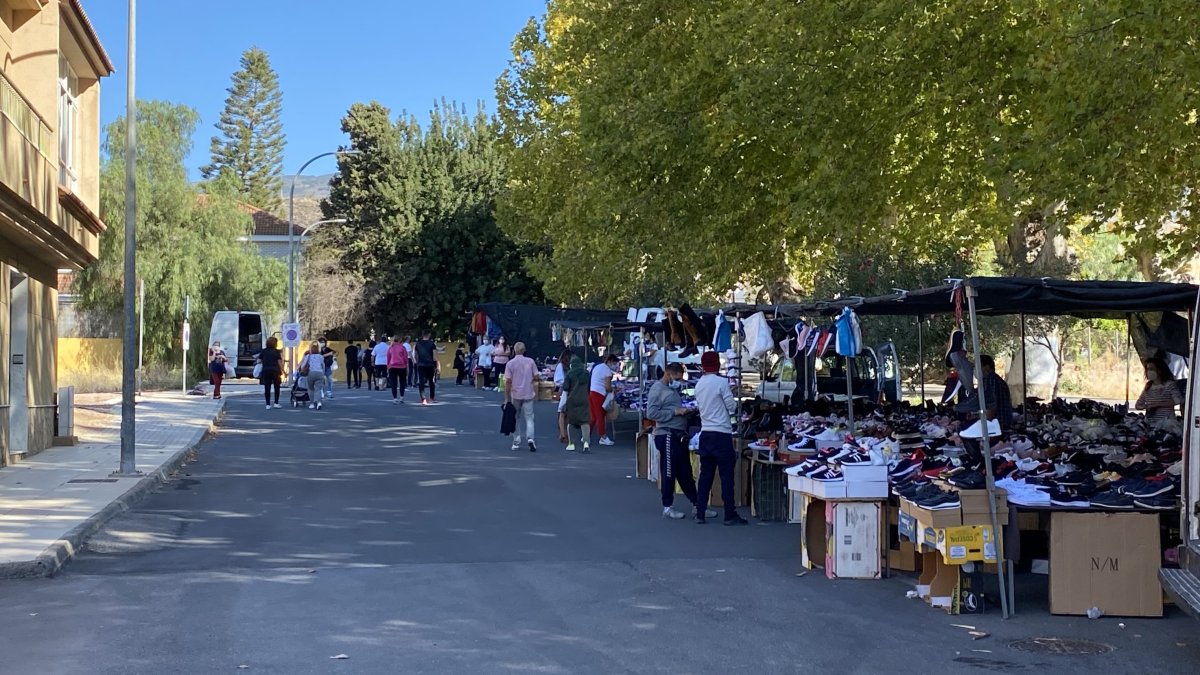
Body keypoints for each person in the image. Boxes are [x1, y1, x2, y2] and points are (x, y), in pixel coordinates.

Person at [647, 363, 712, 520]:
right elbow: (651, 412)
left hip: (678, 434)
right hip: (667, 434)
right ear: (668, 374)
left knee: (685, 472)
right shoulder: (657, 390)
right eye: (677, 377)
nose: (679, 381)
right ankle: (667, 507)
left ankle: (698, 505)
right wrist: (674, 412)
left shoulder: (672, 389)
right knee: (669, 472)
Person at [694, 351, 747, 526]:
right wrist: (732, 394)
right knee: (726, 476)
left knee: (705, 476)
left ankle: (700, 512)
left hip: (706, 433)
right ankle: (729, 514)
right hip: (722, 434)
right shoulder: (721, 383)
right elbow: (731, 407)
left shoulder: (699, 384)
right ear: (716, 364)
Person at [505, 341, 538, 452]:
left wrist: (507, 397)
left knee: (516, 418)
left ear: (514, 350)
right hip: (528, 393)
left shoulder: (510, 364)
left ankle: (516, 440)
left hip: (515, 394)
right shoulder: (530, 361)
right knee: (529, 418)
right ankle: (530, 439)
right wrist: (531, 380)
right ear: (524, 350)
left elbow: (508, 381)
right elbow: (537, 376)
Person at [1136, 356, 1184, 423]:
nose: (1149, 371)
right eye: (1147, 369)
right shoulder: (1148, 386)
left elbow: (1179, 400)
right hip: (1150, 423)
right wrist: (1148, 406)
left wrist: (1158, 404)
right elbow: (1138, 405)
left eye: (1151, 369)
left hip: (1167, 423)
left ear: (1159, 370)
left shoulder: (1169, 384)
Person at [589, 353, 620, 446]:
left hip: (592, 392)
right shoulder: (607, 371)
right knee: (600, 416)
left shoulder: (597, 367)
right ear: (610, 361)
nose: (615, 366)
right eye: (614, 363)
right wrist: (613, 390)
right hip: (599, 394)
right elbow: (607, 386)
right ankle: (603, 436)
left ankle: (586, 435)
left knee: (594, 417)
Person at [563, 355, 592, 453]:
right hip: (584, 399)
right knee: (584, 422)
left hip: (572, 400)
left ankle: (571, 444)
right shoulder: (586, 373)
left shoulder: (569, 374)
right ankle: (586, 443)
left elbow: (566, 388)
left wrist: (563, 403)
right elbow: (589, 387)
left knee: (571, 422)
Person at [979, 354, 1013, 432]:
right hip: (1002, 423)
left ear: (987, 367)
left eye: (978, 366)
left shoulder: (990, 380)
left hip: (997, 424)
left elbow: (990, 405)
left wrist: (984, 426)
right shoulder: (996, 380)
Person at [256, 336, 284, 409]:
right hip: (275, 371)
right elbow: (279, 362)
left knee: (267, 387)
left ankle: (267, 404)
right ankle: (276, 403)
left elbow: (258, 361)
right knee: (276, 387)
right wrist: (283, 371)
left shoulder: (264, 351)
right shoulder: (276, 352)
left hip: (266, 370)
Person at [300, 342, 328, 410]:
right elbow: (323, 366)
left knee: (310, 389)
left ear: (311, 350)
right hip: (319, 373)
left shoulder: (308, 356)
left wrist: (303, 369)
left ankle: (312, 403)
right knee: (318, 389)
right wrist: (323, 373)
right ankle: (319, 402)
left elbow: (303, 365)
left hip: (311, 373)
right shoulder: (321, 357)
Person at [415, 331, 440, 404]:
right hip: (430, 364)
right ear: (429, 335)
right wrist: (437, 364)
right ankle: (432, 397)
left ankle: (423, 399)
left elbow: (416, 354)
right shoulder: (432, 344)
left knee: (421, 382)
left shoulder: (418, 343)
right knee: (431, 381)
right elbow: (434, 355)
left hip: (421, 364)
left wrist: (417, 362)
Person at [554, 349, 573, 443]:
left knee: (565, 413)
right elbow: (558, 380)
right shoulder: (561, 366)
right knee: (563, 412)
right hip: (565, 391)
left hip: (568, 391)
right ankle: (563, 433)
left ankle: (564, 433)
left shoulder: (568, 366)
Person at [387, 336, 410, 404]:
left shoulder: (390, 348)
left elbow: (388, 358)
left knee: (394, 383)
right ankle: (401, 397)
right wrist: (406, 365)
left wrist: (388, 367)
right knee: (402, 382)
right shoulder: (402, 347)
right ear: (400, 340)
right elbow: (405, 357)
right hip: (402, 367)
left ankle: (395, 398)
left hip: (392, 367)